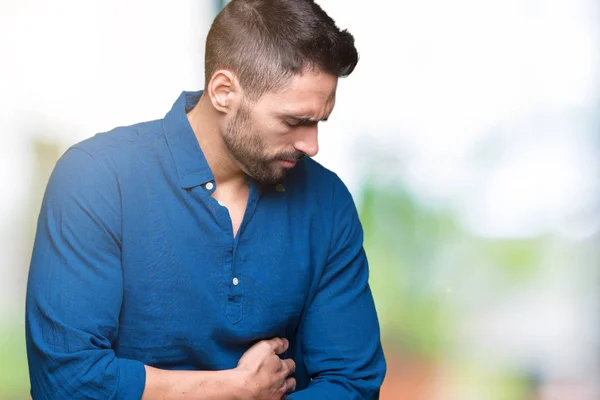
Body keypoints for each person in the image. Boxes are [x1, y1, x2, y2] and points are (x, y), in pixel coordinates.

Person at [25, 0, 386, 398]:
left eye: (319, 121)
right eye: (294, 121)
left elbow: (352, 383)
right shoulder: (96, 178)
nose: (312, 145)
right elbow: (68, 382)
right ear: (223, 92)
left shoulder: (327, 202)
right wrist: (235, 389)